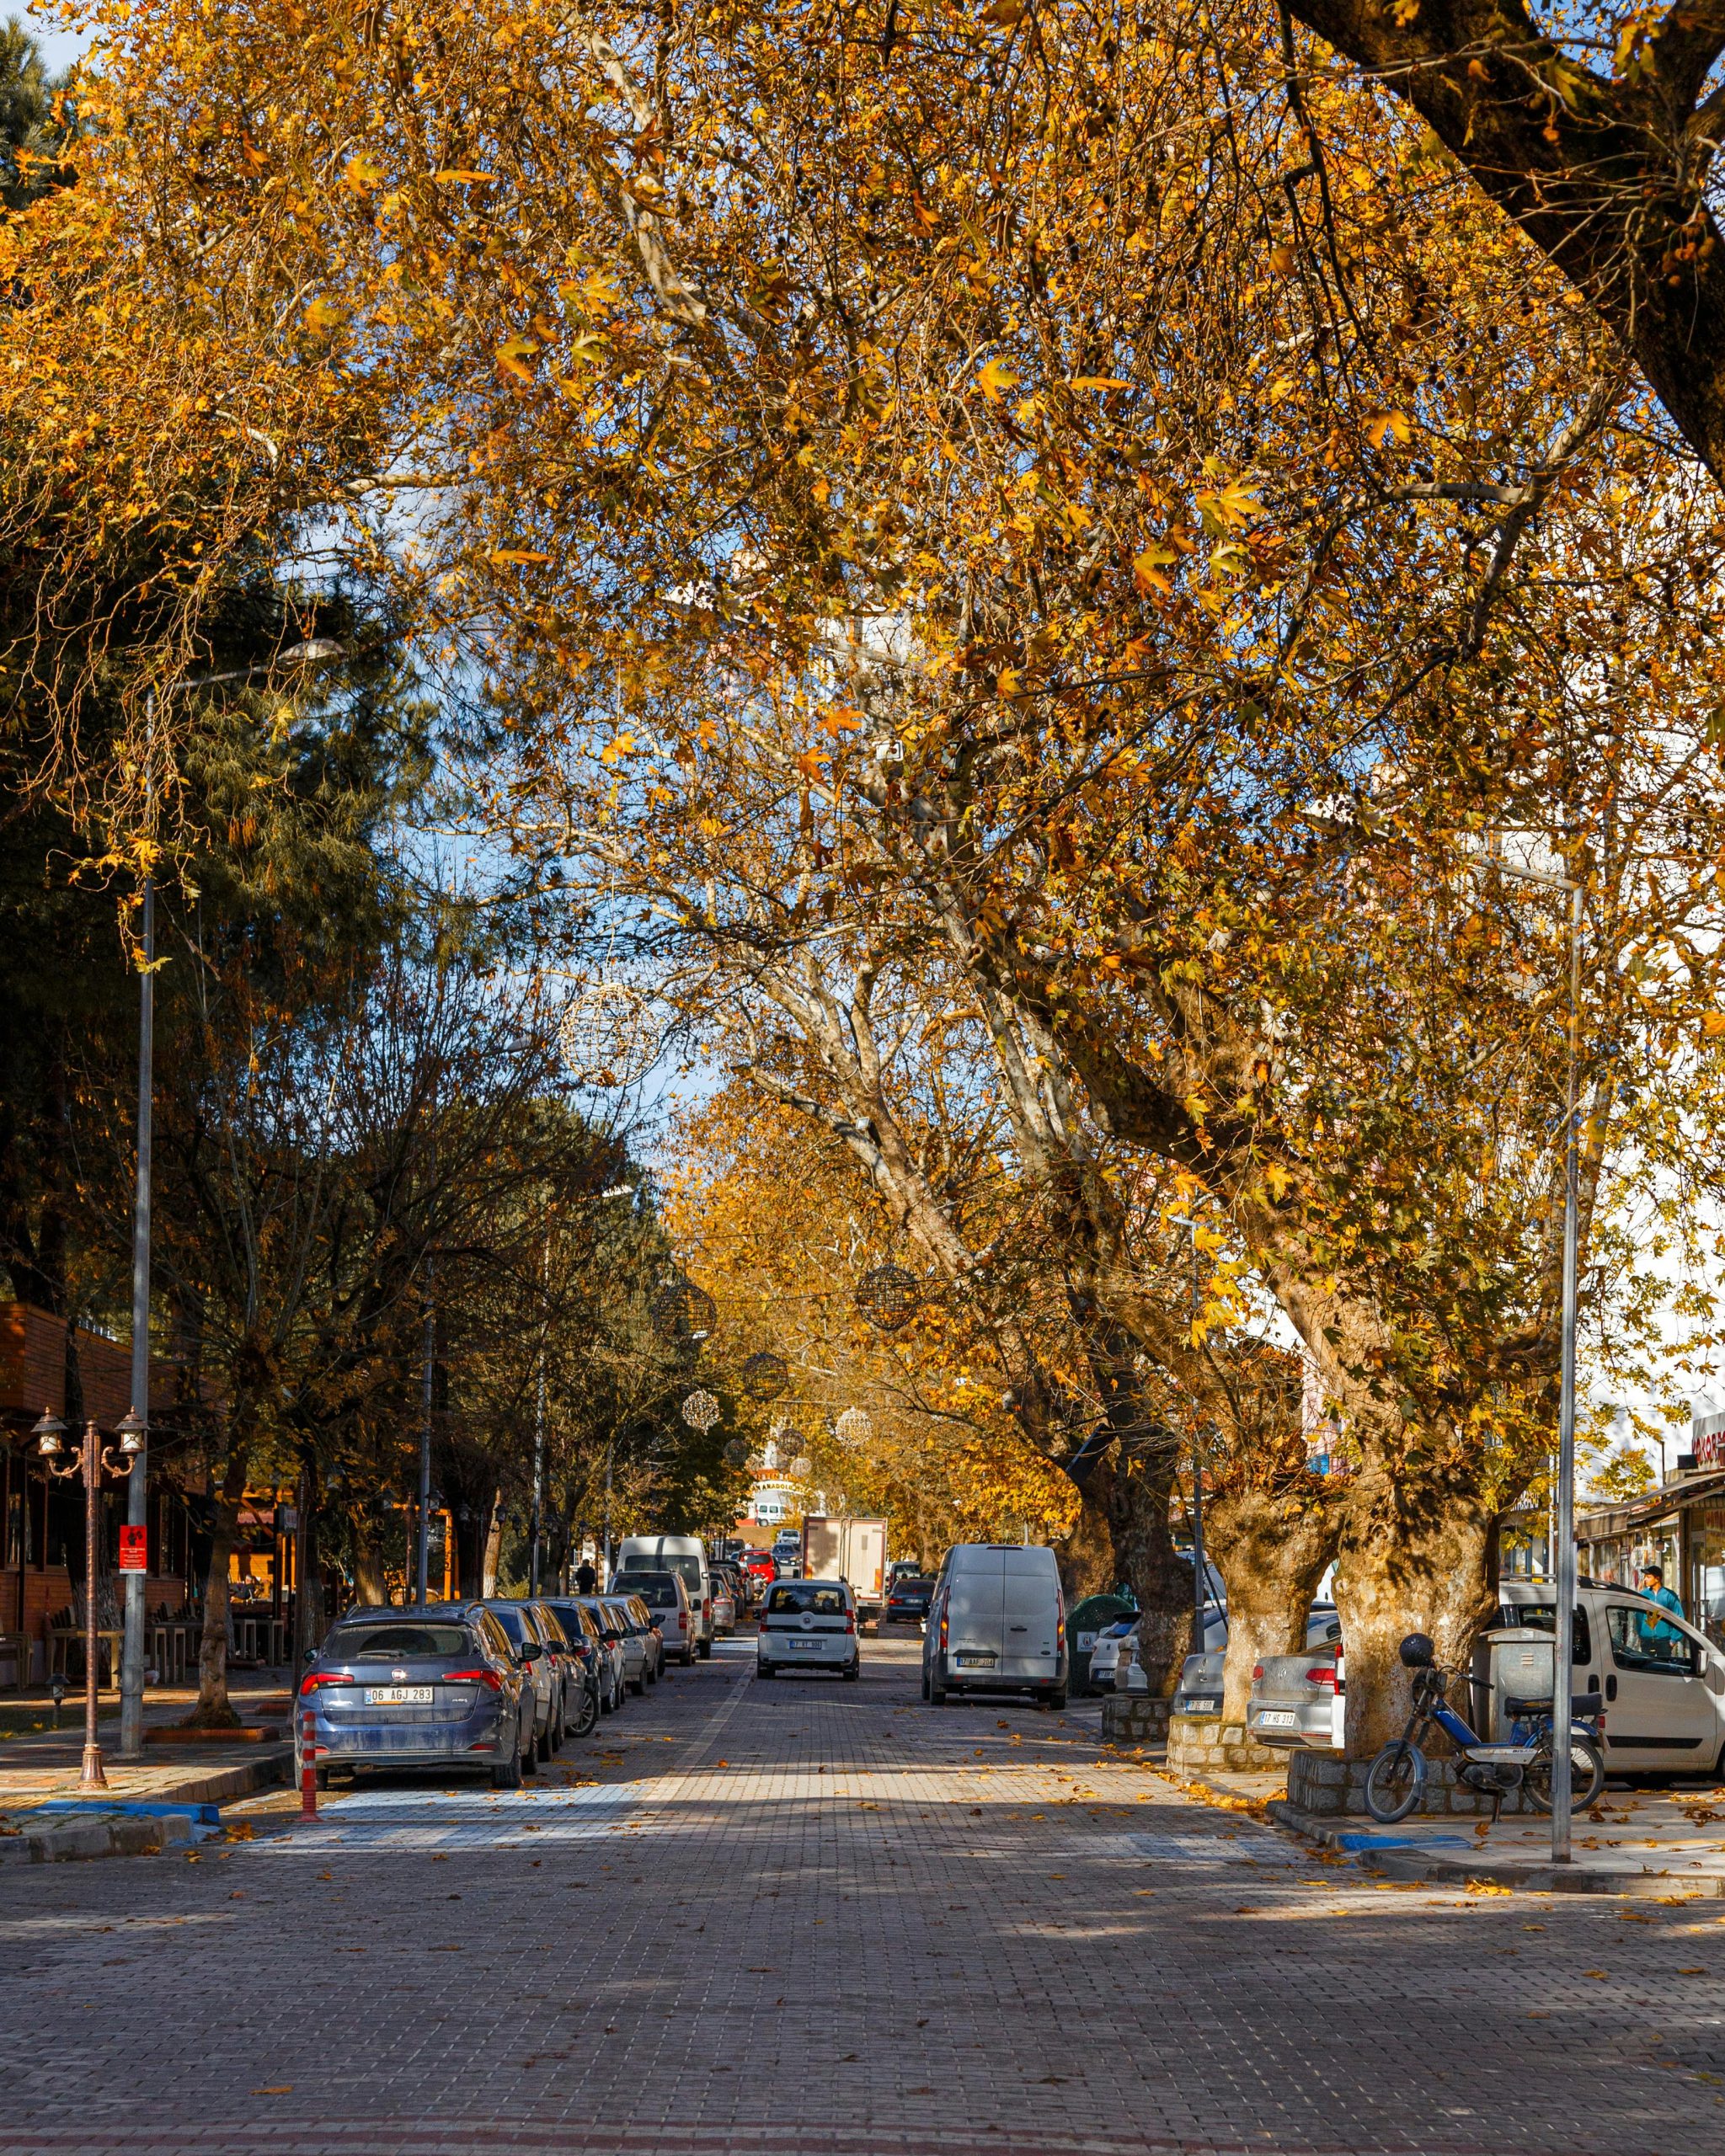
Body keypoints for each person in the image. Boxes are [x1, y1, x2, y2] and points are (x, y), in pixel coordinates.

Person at [1637, 1565, 1685, 1650]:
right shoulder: (1643, 1595)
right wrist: (1640, 1635)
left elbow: (1679, 1618)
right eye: (1645, 1577)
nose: (1645, 1580)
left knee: (1664, 1663)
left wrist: (1673, 1640)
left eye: (1648, 1577)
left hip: (1665, 1642)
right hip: (1646, 1642)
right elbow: (1638, 1617)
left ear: (1657, 1579)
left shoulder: (1670, 1595)